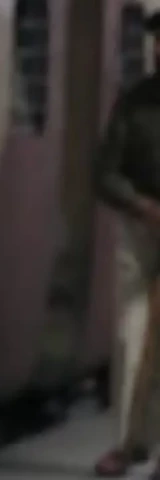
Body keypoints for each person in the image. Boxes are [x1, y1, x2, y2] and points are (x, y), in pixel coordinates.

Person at [93, 10, 160, 479]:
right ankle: (129, 441)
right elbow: (104, 173)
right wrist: (144, 208)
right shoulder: (134, 103)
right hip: (140, 227)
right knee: (130, 336)